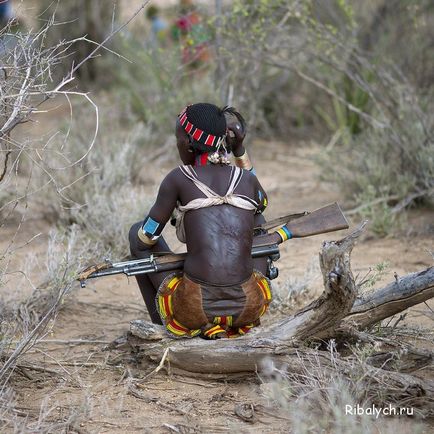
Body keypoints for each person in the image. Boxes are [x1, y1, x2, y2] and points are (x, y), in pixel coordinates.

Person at [129, 103, 271, 339]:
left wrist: (155, 240)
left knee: (136, 234)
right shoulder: (246, 179)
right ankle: (232, 323)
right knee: (259, 221)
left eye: (178, 139)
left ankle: (165, 325)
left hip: (195, 307)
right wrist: (240, 151)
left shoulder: (178, 179)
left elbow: (149, 235)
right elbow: (261, 204)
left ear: (188, 143)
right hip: (249, 305)